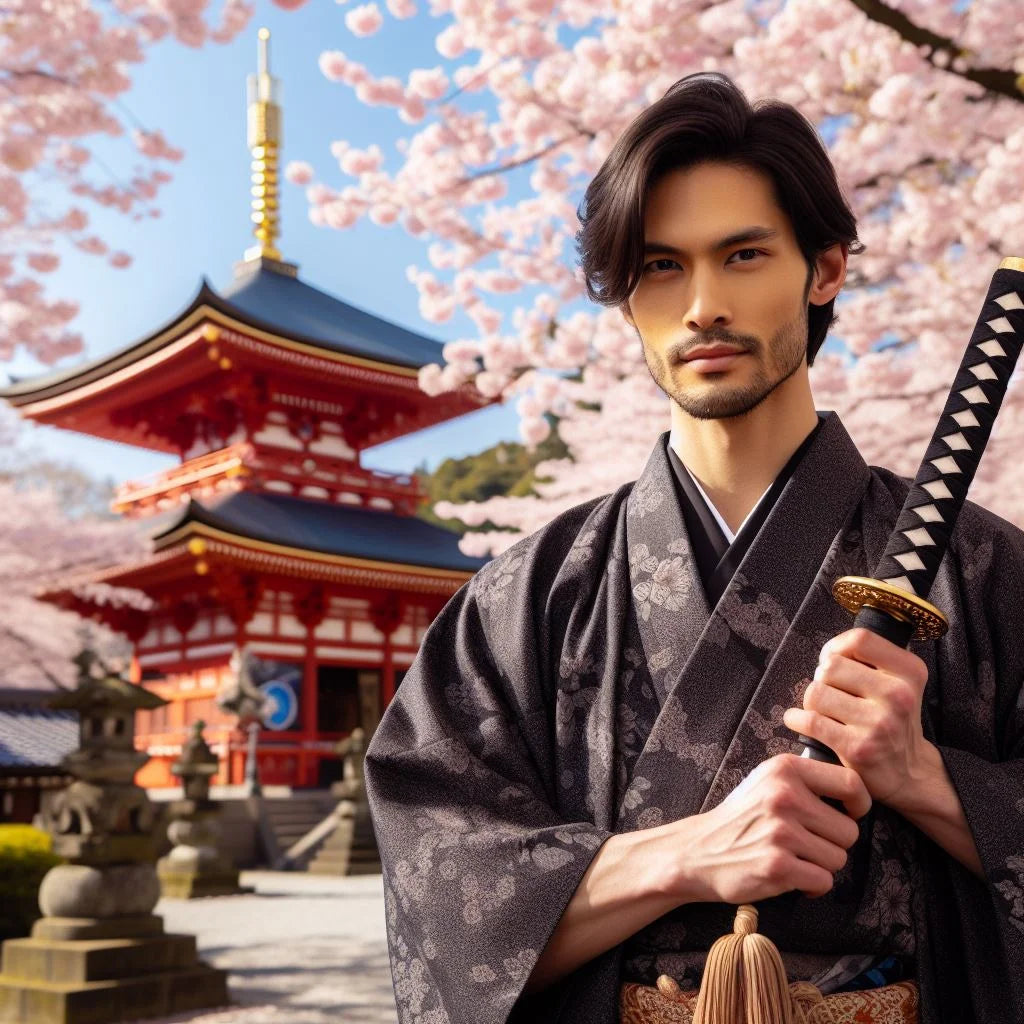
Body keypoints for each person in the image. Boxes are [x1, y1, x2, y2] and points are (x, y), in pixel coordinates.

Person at [364, 72, 1024, 1024]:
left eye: (745, 255)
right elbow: (439, 894)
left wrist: (927, 780)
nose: (702, 304)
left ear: (825, 269)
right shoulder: (530, 595)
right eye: (661, 267)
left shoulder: (985, 571)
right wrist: (685, 853)